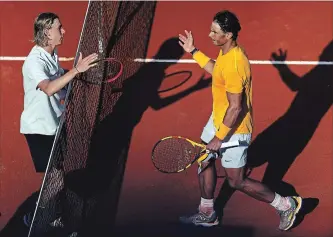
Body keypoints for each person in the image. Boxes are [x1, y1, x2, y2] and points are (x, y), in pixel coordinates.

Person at [178, 10, 303, 231]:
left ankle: (286, 204)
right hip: (218, 119)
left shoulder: (236, 64)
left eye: (215, 32)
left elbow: (235, 108)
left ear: (228, 35)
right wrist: (194, 52)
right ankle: (207, 213)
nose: (209, 35)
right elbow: (217, 72)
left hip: (234, 130)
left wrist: (218, 139)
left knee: (236, 181)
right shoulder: (227, 54)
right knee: (204, 160)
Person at [20, 12, 98, 227]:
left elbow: (57, 78)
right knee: (56, 178)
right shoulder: (34, 61)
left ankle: (49, 213)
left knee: (56, 175)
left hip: (54, 125)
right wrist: (75, 70)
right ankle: (36, 215)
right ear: (47, 32)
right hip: (39, 127)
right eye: (59, 28)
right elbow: (49, 88)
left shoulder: (51, 56)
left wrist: (75, 73)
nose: (63, 31)